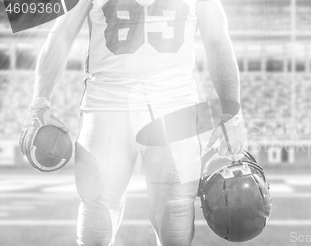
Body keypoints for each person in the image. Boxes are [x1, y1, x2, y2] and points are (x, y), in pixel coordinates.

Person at [18, 0, 246, 245]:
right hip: (111, 107)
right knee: (96, 225)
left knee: (174, 225)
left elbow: (217, 40)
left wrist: (232, 112)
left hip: (167, 110)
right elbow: (62, 33)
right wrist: (39, 102)